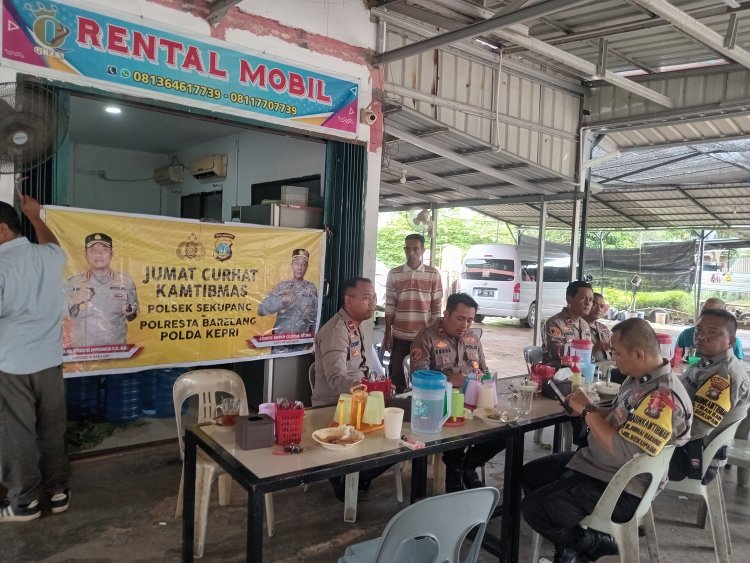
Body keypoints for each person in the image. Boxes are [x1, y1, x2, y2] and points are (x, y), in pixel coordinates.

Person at [522, 318, 693, 563]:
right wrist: (586, 409)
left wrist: (588, 413)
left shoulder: (662, 398)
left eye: (618, 353)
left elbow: (624, 452)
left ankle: (593, 544)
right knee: (531, 474)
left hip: (623, 487)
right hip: (601, 466)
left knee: (534, 509)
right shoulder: (639, 379)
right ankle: (570, 547)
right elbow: (618, 416)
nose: (614, 359)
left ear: (639, 354)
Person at [0, 196, 70, 521]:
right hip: (50, 361)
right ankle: (58, 492)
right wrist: (36, 216)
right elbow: (53, 245)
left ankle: (24, 502)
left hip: (12, 364)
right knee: (52, 429)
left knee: (17, 432)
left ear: (2, 230)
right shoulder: (48, 257)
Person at [310, 277, 390, 500]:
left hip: (358, 403)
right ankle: (344, 477)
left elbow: (363, 368)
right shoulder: (336, 331)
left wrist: (378, 386)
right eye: (366, 298)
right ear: (348, 300)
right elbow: (336, 380)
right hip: (334, 408)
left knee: (400, 435)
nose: (372, 303)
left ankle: (356, 476)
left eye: (373, 298)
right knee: (391, 442)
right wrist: (367, 388)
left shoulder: (357, 326)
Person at [410, 293, 493, 492]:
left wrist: (487, 381)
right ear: (446, 314)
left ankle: (468, 465)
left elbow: (486, 371)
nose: (465, 324)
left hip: (473, 403)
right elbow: (416, 378)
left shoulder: (473, 339)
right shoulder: (427, 337)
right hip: (440, 405)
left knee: (505, 432)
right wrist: (447, 381)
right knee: (456, 435)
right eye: (460, 318)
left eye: (470, 319)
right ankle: (455, 475)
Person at [670, 309, 750, 483]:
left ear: (731, 341)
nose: (701, 336)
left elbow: (697, 428)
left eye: (712, 332)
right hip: (688, 446)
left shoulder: (723, 375)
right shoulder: (710, 362)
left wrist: (655, 434)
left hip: (693, 457)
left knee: (613, 449)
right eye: (699, 330)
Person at [384, 234, 443, 393]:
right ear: (404, 250)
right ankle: (397, 409)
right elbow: (390, 306)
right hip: (399, 336)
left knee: (422, 375)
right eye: (408, 249)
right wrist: (387, 334)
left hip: (424, 337)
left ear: (422, 250)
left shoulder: (433, 274)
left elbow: (436, 306)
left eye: (415, 249)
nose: (411, 252)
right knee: (396, 376)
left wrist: (437, 334)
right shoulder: (394, 274)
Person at [66, 233, 139, 347]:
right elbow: (57, 316)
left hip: (116, 353)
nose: (99, 254)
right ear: (85, 254)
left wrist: (130, 311)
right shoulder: (72, 283)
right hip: (82, 355)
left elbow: (134, 313)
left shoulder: (126, 281)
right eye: (93, 250)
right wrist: (74, 300)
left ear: (111, 254)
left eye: (104, 250)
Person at [258, 248, 318, 354]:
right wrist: (281, 301)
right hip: (280, 343)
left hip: (302, 344)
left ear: (307, 267)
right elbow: (261, 309)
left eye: (303, 264)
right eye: (297, 264)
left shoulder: (311, 288)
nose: (300, 268)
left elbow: (315, 316)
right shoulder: (282, 286)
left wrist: (314, 341)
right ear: (291, 265)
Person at [543, 281, 594, 366]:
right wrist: (582, 350)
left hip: (580, 371)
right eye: (583, 298)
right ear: (569, 299)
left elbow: (588, 354)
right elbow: (555, 351)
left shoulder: (584, 324)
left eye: (591, 300)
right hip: (558, 372)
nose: (588, 303)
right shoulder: (555, 323)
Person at [676, 297, 744, 360]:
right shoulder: (685, 335)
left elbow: (738, 364)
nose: (701, 337)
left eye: (712, 332)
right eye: (704, 310)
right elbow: (677, 360)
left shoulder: (732, 342)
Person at [586, 293, 611, 362]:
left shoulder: (604, 328)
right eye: (594, 304)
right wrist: (594, 348)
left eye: (602, 306)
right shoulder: (577, 327)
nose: (598, 309)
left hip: (607, 367)